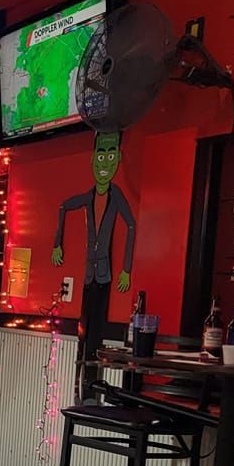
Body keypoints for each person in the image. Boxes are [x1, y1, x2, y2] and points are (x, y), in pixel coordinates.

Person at [52, 130, 135, 382]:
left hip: (105, 272)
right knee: (84, 330)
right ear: (92, 160)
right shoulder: (88, 196)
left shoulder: (116, 194)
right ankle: (83, 383)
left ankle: (90, 383)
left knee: (97, 329)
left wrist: (126, 269)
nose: (104, 163)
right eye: (100, 156)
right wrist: (57, 244)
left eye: (111, 156)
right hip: (89, 273)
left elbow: (131, 225)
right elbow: (63, 205)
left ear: (118, 158)